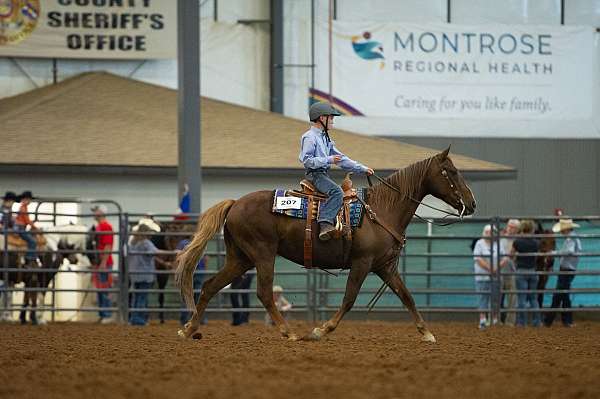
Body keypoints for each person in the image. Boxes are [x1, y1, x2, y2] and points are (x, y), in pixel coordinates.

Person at [299, 102, 374, 241]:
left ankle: (339, 222)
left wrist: (362, 168)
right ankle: (325, 223)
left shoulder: (325, 138)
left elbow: (341, 159)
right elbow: (307, 161)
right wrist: (328, 159)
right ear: (322, 118)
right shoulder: (309, 137)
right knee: (337, 192)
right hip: (315, 175)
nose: (333, 121)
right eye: (331, 118)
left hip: (323, 175)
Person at [128, 221, 168, 326]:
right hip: (144, 274)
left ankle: (134, 318)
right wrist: (173, 252)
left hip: (135, 274)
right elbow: (156, 252)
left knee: (137, 296)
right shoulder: (146, 243)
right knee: (142, 297)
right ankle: (138, 319)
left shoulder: (133, 243)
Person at [544, 219, 582, 328]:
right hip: (568, 269)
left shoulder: (571, 238)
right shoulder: (572, 237)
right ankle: (566, 320)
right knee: (564, 295)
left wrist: (554, 253)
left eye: (562, 229)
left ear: (566, 229)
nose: (561, 231)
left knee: (558, 295)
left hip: (566, 269)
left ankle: (548, 321)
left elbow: (569, 251)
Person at [473, 224, 507, 330]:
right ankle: (482, 320)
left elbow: (505, 258)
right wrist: (490, 269)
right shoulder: (479, 243)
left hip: (496, 276)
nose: (489, 234)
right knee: (482, 297)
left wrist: (496, 268)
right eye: (487, 232)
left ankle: (495, 319)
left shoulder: (499, 244)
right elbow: (478, 259)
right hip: (482, 276)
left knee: (496, 297)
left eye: (491, 232)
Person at [512, 219, 541, 327]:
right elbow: (537, 256)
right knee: (534, 298)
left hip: (521, 271)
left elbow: (511, 254)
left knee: (522, 298)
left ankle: (521, 322)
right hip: (533, 271)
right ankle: (537, 322)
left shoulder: (517, 241)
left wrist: (516, 259)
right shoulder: (536, 242)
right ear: (532, 229)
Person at [177, 238, 208, 326]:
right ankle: (199, 318)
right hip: (199, 271)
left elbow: (178, 257)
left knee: (186, 296)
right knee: (198, 296)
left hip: (187, 271)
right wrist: (204, 270)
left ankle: (184, 319)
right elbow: (205, 258)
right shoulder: (201, 241)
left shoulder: (183, 242)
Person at [91, 205, 114, 323]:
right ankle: (103, 313)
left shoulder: (105, 226)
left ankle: (107, 314)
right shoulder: (99, 226)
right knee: (100, 289)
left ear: (101, 213)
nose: (94, 214)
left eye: (96, 211)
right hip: (99, 262)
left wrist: (103, 262)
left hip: (104, 262)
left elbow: (108, 245)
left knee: (104, 288)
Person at [499, 219, 520, 326]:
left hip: (512, 272)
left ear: (517, 229)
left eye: (513, 227)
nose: (510, 228)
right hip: (499, 272)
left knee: (512, 299)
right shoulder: (499, 238)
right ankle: (497, 320)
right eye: (509, 226)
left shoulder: (518, 240)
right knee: (497, 298)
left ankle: (510, 322)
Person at [14, 191, 37, 265]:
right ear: (24, 199)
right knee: (32, 241)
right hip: (20, 228)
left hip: (21, 227)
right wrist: (34, 227)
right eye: (28, 199)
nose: (29, 201)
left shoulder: (23, 207)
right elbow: (27, 220)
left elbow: (27, 220)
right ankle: (29, 258)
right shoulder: (23, 208)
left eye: (29, 199)